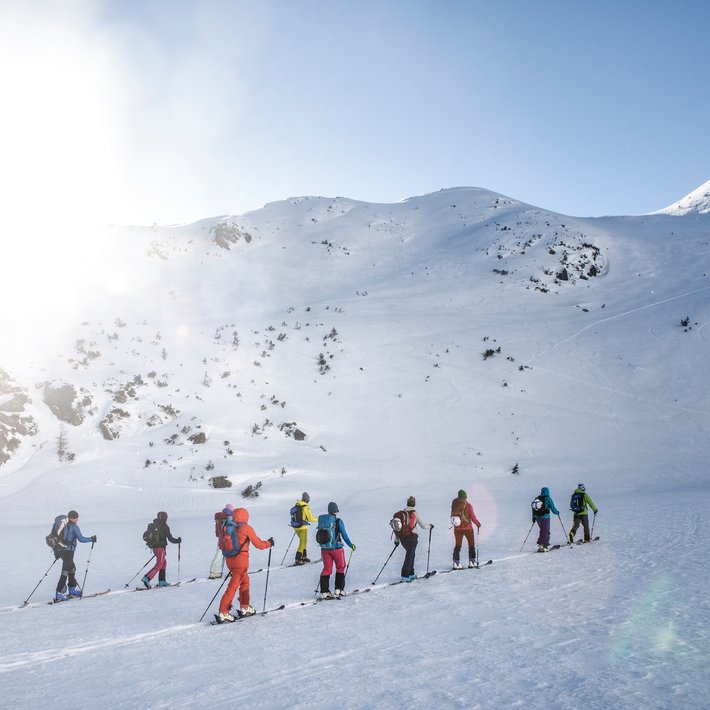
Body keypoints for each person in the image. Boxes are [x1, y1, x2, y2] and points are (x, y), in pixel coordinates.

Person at [217, 507, 274, 622]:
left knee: (245, 582)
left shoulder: (228, 527)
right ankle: (223, 611)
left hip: (229, 559)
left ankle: (245, 606)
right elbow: (259, 545)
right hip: (241, 561)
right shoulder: (246, 528)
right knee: (232, 587)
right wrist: (269, 543)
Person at [54, 510, 97, 601]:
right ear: (74, 518)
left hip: (61, 551)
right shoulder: (74, 527)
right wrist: (91, 539)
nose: (77, 519)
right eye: (76, 518)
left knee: (72, 568)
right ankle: (59, 593)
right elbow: (81, 539)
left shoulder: (63, 526)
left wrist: (56, 552)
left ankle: (72, 589)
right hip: (68, 552)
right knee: (65, 571)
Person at [317, 502, 356, 599]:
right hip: (337, 549)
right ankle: (339, 589)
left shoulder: (323, 521)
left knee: (327, 569)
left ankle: (324, 592)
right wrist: (351, 545)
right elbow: (344, 535)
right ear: (336, 511)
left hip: (324, 549)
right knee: (341, 567)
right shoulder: (338, 521)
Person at [394, 496, 433, 581]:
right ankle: (405, 575)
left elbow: (398, 528)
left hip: (402, 538)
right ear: (414, 504)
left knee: (411, 554)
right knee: (410, 555)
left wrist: (396, 540)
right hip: (412, 538)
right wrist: (430, 526)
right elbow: (423, 526)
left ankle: (411, 573)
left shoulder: (402, 513)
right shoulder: (415, 513)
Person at [141, 511, 182, 588]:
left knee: (163, 563)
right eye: (165, 517)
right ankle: (147, 578)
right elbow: (170, 539)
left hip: (154, 548)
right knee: (159, 564)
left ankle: (162, 581)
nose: (166, 518)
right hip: (160, 549)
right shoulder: (164, 526)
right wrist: (178, 540)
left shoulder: (153, 525)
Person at [450, 490, 481, 569]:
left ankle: (456, 563)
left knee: (457, 545)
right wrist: (477, 523)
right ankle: (472, 562)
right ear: (465, 497)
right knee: (471, 545)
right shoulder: (468, 505)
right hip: (468, 528)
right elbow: (472, 517)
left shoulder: (454, 504)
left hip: (457, 528)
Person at [292, 492, 318, 565]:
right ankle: (297, 559)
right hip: (303, 527)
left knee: (304, 541)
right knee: (302, 542)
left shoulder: (297, 505)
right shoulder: (305, 507)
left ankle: (303, 557)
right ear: (307, 500)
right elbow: (311, 519)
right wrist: (319, 518)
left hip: (296, 526)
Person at [209, 504, 234, 578]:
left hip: (220, 539)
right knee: (231, 555)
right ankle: (233, 571)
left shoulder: (218, 518)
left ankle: (213, 572)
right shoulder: (229, 517)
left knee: (218, 555)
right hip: (227, 539)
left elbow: (217, 533)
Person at [532, 486, 559, 552]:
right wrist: (557, 512)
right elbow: (553, 508)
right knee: (546, 531)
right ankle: (545, 546)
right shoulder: (548, 498)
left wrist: (533, 517)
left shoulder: (537, 499)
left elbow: (533, 509)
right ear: (548, 491)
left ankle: (541, 544)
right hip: (545, 517)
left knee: (542, 531)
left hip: (538, 518)